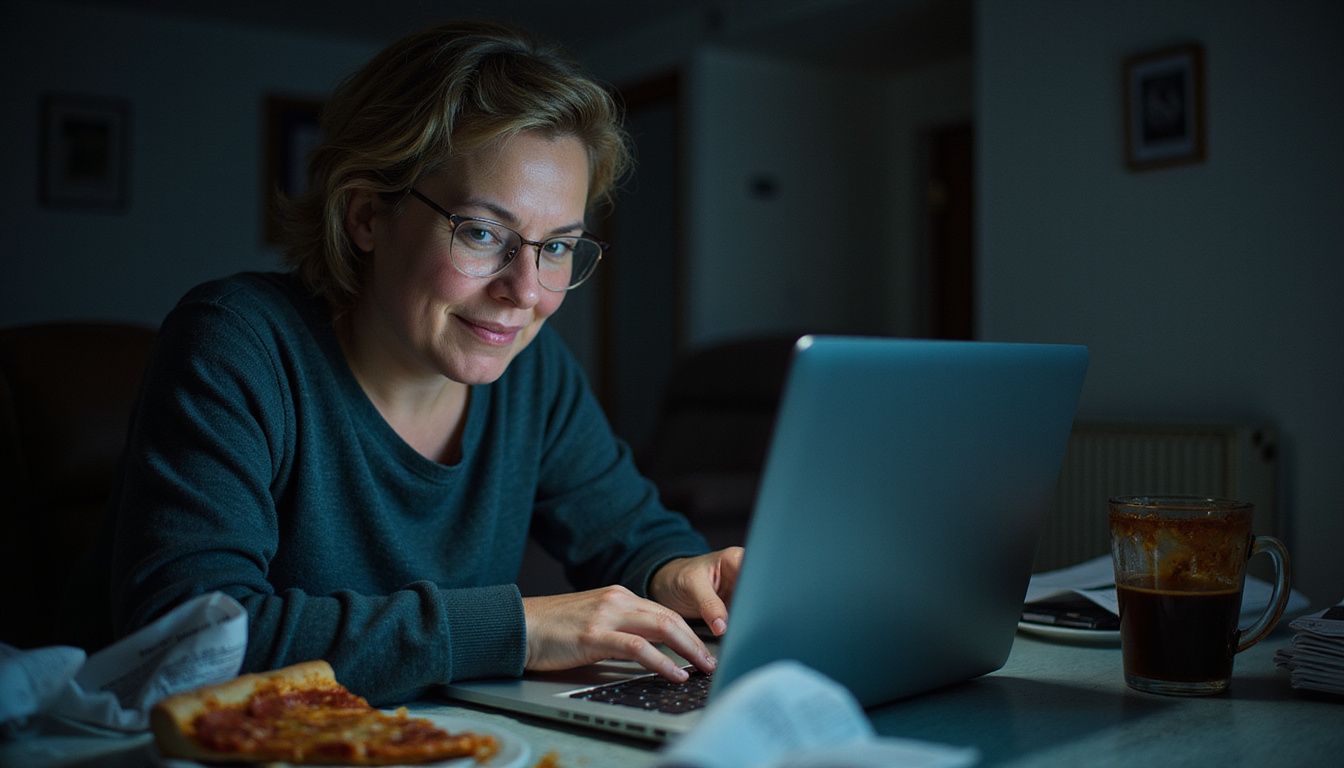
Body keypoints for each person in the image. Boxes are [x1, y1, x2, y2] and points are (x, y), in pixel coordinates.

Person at [102, 20, 743, 704]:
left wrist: (679, 570)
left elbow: (632, 533)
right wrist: (515, 628)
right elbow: (189, 644)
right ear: (367, 216)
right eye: (483, 233)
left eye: (556, 248)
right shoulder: (238, 343)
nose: (525, 293)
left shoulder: (532, 368)